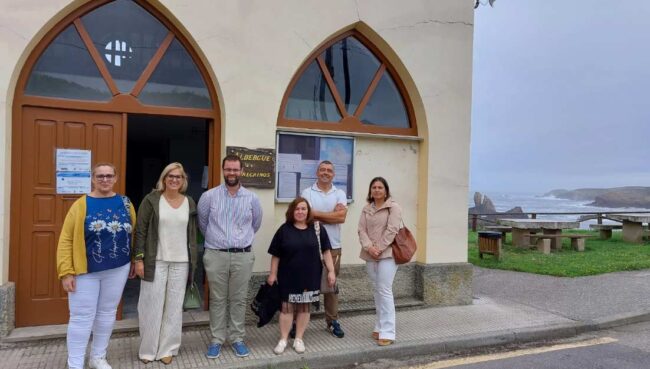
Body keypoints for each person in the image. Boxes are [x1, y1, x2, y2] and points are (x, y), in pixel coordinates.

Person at [56, 163, 136, 369]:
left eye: (109, 175)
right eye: (100, 176)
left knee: (107, 313)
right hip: (86, 272)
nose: (105, 180)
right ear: (93, 179)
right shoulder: (81, 204)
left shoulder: (126, 203)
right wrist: (66, 272)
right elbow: (65, 239)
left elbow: (132, 232)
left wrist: (135, 259)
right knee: (81, 317)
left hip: (118, 268)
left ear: (116, 178)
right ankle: (75, 363)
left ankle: (98, 357)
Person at [198, 154, 263, 359]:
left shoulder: (252, 198)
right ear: (223, 170)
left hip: (242, 255)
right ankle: (217, 339)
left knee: (238, 299)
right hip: (216, 255)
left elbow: (256, 224)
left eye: (235, 169)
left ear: (241, 171)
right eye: (228, 169)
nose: (232, 173)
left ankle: (237, 338)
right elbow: (203, 223)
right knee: (217, 299)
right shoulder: (209, 197)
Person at [133, 162, 198, 365]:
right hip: (156, 260)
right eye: (170, 176)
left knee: (173, 307)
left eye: (178, 177)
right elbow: (140, 231)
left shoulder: (189, 202)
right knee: (150, 305)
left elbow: (193, 233)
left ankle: (168, 349)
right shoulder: (151, 200)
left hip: (181, 262)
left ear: (183, 180)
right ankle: (147, 349)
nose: (174, 180)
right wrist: (139, 259)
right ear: (164, 178)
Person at [267, 197, 336, 355]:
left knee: (305, 308)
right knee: (286, 309)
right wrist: (272, 274)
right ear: (292, 211)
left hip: (310, 276)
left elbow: (326, 251)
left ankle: (299, 338)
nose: (300, 212)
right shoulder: (284, 230)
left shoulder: (318, 229)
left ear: (308, 211)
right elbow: (275, 255)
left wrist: (331, 271)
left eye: (303, 208)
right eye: (297, 209)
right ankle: (283, 339)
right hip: (287, 276)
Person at [301, 160, 347, 338]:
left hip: (334, 247)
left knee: (331, 286)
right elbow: (306, 216)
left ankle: (332, 321)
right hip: (310, 246)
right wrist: (331, 215)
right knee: (305, 286)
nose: (325, 173)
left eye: (329, 170)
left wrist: (317, 214)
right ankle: (299, 322)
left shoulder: (340, 193)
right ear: (317, 173)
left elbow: (341, 218)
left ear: (333, 174)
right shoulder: (307, 192)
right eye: (322, 170)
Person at [357, 177, 402, 346]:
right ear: (370, 191)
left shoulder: (393, 207)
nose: (377, 190)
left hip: (388, 254)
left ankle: (388, 331)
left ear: (386, 190)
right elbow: (361, 230)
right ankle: (379, 325)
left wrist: (379, 248)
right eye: (374, 187)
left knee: (384, 290)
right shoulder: (366, 208)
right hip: (370, 254)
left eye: (380, 187)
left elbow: (392, 230)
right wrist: (369, 248)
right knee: (376, 290)